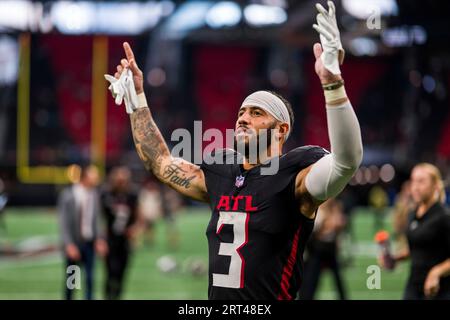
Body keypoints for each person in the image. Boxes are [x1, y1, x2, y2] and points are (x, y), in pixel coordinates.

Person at [106, 1, 363, 300]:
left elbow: (346, 162)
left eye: (257, 113)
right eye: (242, 112)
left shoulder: (295, 178)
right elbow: (160, 162)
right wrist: (137, 101)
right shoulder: (222, 173)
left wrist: (332, 83)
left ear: (281, 130)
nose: (243, 118)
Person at [379, 163, 450, 300]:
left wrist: (436, 272)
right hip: (414, 285)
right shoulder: (412, 214)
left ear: (435, 185)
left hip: (439, 289)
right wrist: (395, 258)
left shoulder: (444, 216)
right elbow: (417, 248)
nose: (415, 187)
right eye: (413, 181)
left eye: (421, 181)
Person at [58, 164, 108, 300]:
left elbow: (97, 219)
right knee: (72, 280)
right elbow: (63, 223)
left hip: (89, 242)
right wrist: (68, 244)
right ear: (85, 177)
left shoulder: (95, 194)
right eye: (94, 175)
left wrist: (100, 239)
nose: (97, 178)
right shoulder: (69, 194)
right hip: (74, 243)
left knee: (90, 279)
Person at [100, 166, 140, 300]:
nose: (121, 183)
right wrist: (101, 239)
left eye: (124, 180)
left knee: (122, 272)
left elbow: (139, 217)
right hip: (109, 239)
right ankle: (108, 296)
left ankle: (117, 296)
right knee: (111, 271)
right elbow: (99, 218)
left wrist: (134, 229)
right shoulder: (106, 194)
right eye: (119, 180)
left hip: (125, 240)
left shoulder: (132, 195)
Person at [299, 198, 347, 300]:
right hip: (317, 250)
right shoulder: (317, 210)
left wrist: (336, 226)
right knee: (311, 280)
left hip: (330, 250)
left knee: (339, 282)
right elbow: (312, 232)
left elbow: (340, 225)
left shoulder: (336, 207)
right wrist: (325, 224)